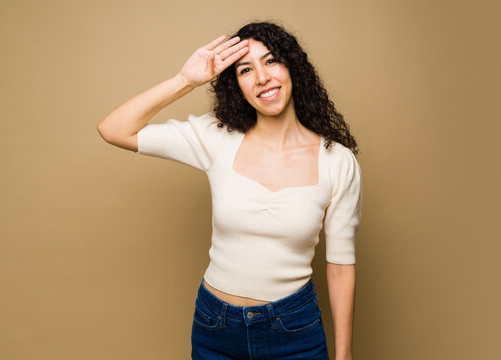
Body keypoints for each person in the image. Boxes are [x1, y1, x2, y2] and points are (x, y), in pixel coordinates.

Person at [98, 21, 362, 360]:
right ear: (236, 84)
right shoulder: (215, 137)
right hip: (215, 327)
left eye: (271, 61)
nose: (262, 78)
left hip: (294, 330)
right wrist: (185, 80)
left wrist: (344, 355)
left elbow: (341, 267)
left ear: (292, 66)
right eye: (245, 69)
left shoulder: (336, 161)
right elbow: (113, 129)